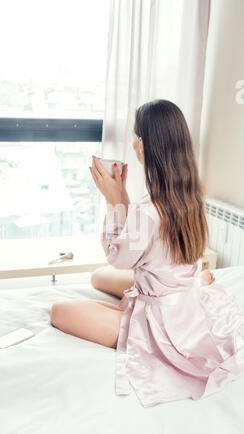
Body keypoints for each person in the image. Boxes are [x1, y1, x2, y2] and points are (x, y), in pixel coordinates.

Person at [50, 99, 244, 407]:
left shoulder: (147, 210)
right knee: (98, 279)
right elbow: (139, 242)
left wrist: (113, 200)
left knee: (59, 311)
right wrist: (123, 194)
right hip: (184, 299)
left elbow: (118, 256)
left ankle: (131, 318)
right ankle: (130, 311)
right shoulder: (189, 194)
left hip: (165, 320)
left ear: (140, 145)